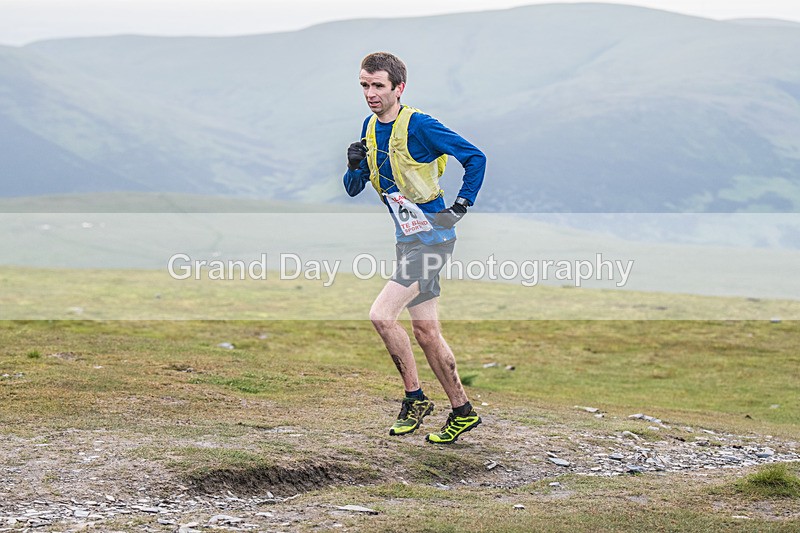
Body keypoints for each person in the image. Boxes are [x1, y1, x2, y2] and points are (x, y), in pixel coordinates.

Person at [343, 52, 487, 444]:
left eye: (378, 86)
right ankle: (462, 411)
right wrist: (353, 165)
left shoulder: (421, 126)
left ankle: (415, 398)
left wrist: (462, 205)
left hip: (434, 239)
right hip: (408, 240)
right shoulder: (370, 128)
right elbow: (354, 188)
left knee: (381, 315)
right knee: (425, 331)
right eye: (364, 86)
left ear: (398, 88)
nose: (370, 94)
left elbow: (475, 157)